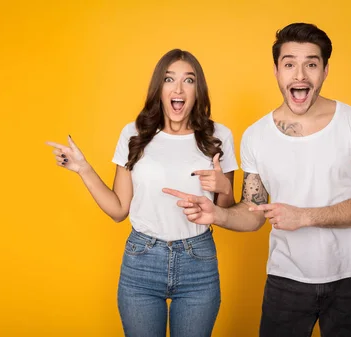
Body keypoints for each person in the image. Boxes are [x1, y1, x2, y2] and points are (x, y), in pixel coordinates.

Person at [163, 23, 351, 337]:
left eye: (311, 64)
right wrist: (218, 214)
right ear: (276, 71)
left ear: (324, 70)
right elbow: (253, 213)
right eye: (289, 64)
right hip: (286, 282)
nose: (300, 75)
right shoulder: (256, 136)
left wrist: (304, 217)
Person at [46, 49, 238, 337]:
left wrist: (224, 188)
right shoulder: (134, 134)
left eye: (188, 80)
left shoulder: (218, 136)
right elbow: (118, 210)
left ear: (198, 90)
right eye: (169, 79)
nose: (178, 88)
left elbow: (227, 209)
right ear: (158, 89)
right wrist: (83, 168)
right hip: (142, 261)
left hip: (197, 261)